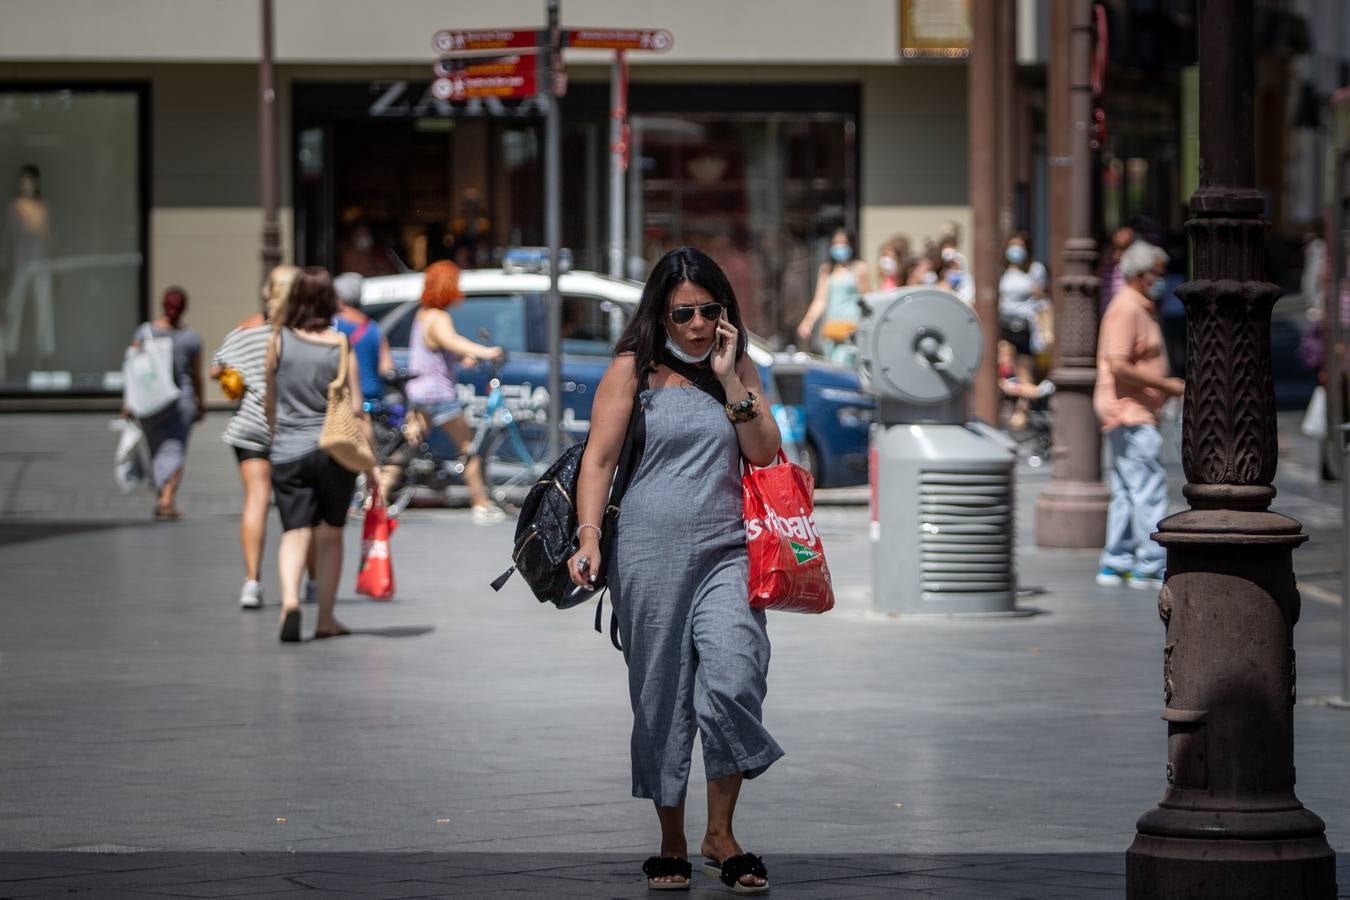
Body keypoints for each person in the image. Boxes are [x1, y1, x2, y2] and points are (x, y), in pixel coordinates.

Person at [568, 247, 782, 893]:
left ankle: (722, 832)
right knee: (660, 696)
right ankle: (672, 840)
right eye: (682, 312)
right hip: (646, 555)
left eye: (707, 310)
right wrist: (589, 538)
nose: (695, 323)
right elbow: (599, 462)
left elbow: (767, 453)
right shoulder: (632, 370)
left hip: (727, 549)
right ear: (660, 313)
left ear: (725, 311)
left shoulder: (734, 367)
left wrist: (732, 379)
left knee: (735, 677)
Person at [265, 267, 376, 643]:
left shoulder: (278, 340)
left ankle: (291, 603)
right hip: (334, 451)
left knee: (294, 533)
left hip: (287, 450)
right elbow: (357, 408)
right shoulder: (340, 344)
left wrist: (276, 433)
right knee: (330, 536)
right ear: (330, 300)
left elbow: (269, 398)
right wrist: (372, 463)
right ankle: (326, 618)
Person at [1094, 241, 1184, 590]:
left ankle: (1117, 561)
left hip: (1131, 410)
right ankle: (1148, 561)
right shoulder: (1128, 309)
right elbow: (1118, 364)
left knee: (1127, 488)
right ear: (1143, 274)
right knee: (1147, 487)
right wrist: (1168, 385)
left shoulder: (1138, 307)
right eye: (1159, 273)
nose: (1162, 280)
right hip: (1130, 411)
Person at [210, 264, 299, 610]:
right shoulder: (303, 334)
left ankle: (252, 582)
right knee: (298, 506)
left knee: (256, 499)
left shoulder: (243, 331)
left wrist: (237, 373)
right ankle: (308, 581)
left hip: (249, 425)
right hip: (292, 427)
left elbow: (216, 368)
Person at [405, 260, 505, 524]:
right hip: (438, 394)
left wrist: (460, 359)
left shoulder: (422, 315)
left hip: (419, 390)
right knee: (468, 448)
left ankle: (375, 496)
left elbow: (437, 348)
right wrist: (486, 352)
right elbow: (451, 341)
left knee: (406, 446)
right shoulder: (439, 317)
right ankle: (481, 504)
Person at [128, 287, 204, 519]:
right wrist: (200, 402)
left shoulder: (144, 333)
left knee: (157, 450)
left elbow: (131, 369)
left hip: (150, 401)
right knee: (176, 448)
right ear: (184, 308)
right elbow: (196, 374)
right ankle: (167, 497)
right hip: (181, 400)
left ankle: (164, 496)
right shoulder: (191, 339)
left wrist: (129, 401)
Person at [998, 231, 1051, 430]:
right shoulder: (1004, 270)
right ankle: (1037, 392)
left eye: (1020, 246)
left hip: (1024, 326)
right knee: (1003, 368)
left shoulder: (1034, 269)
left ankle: (1024, 409)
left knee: (1024, 371)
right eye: (1013, 245)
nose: (1016, 251)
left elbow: (1042, 296)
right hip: (1004, 325)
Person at [795, 228, 871, 365]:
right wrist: (808, 321)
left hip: (851, 327)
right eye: (836, 243)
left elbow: (866, 298)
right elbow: (820, 300)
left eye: (844, 243)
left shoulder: (859, 268)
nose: (840, 247)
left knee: (843, 363)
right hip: (831, 327)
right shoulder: (826, 270)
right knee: (831, 365)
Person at [3, 164, 54, 365]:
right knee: (14, 303)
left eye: (29, 180)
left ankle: (45, 349)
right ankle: (9, 347)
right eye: (23, 180)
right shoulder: (14, 207)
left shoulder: (44, 207)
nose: (26, 184)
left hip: (41, 258)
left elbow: (48, 235)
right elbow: (8, 236)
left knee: (44, 304)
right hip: (21, 258)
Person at [332, 272, 395, 404]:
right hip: (372, 401)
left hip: (344, 400)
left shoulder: (334, 325)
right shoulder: (373, 328)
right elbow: (387, 367)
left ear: (339, 298)